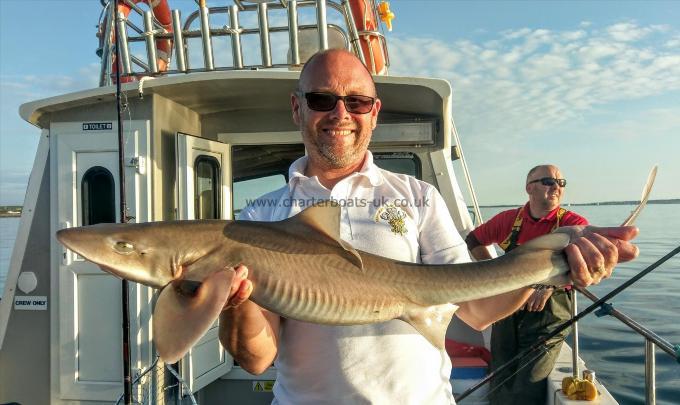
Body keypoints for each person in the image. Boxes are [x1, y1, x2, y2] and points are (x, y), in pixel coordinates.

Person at [218, 49, 638, 404]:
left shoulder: (417, 197)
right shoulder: (259, 217)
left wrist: (553, 260)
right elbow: (257, 358)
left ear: (374, 112)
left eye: (357, 102)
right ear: (298, 108)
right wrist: (236, 302)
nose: (340, 113)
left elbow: (476, 308)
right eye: (322, 99)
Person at [465, 165, 587, 404]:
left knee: (527, 385)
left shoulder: (573, 224)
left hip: (548, 317)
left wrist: (547, 286)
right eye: (549, 182)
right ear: (529, 187)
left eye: (561, 183)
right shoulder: (509, 220)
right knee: (500, 374)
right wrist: (494, 273)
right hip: (507, 312)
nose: (556, 187)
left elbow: (582, 267)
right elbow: (474, 240)